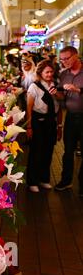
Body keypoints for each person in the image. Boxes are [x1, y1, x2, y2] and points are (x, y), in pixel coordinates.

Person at [26, 60, 63, 193]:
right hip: (38, 122)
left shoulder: (55, 85)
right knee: (36, 151)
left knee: (48, 151)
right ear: (40, 73)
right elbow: (29, 107)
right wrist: (29, 127)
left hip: (51, 122)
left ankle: (44, 179)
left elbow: (60, 103)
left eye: (51, 72)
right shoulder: (34, 87)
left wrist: (59, 126)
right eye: (46, 72)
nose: (49, 74)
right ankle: (32, 181)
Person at [55, 46, 83, 195]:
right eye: (62, 59)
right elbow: (62, 96)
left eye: (67, 58)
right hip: (71, 116)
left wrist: (77, 90)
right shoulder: (64, 74)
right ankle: (66, 181)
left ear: (76, 56)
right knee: (68, 151)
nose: (64, 62)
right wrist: (56, 94)